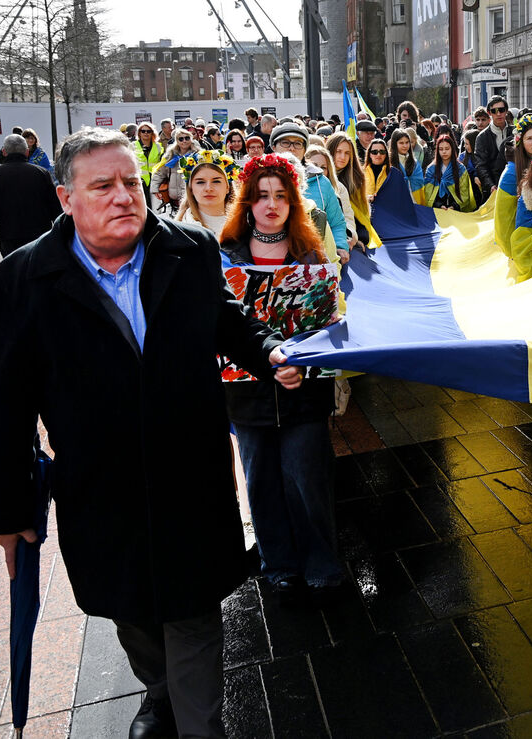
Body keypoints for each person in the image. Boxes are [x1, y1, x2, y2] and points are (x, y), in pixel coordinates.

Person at [0, 127, 301, 739]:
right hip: (101, 491)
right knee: (132, 614)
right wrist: (7, 507)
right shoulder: (24, 278)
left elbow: (226, 320)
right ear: (64, 196)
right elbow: (6, 405)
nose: (124, 196)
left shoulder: (191, 249)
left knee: (194, 614)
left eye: (131, 182)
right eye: (103, 186)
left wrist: (268, 354)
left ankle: (198, 723)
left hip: (191, 479)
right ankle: (160, 689)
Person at [216, 154, 347, 614]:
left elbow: (329, 328)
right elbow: (220, 329)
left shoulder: (309, 256)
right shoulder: (225, 256)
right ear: (247, 203)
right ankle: (278, 564)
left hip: (302, 392)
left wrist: (303, 367)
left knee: (308, 479)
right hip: (247, 393)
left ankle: (322, 563)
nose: (271, 205)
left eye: (281, 197)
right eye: (262, 196)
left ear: (294, 204)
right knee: (262, 483)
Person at [0, 134, 61, 258]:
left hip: (8, 235)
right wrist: (61, 236)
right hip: (39, 233)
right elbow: (55, 207)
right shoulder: (41, 173)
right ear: (27, 152)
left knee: (13, 273)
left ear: (4, 152)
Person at [271, 122, 350, 256]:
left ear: (304, 149)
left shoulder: (322, 182)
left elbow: (336, 222)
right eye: (285, 142)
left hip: (314, 259)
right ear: (273, 146)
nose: (291, 148)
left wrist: (340, 246)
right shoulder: (258, 181)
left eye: (298, 143)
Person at [495, 113, 532, 281]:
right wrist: (510, 250)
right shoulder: (511, 174)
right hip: (525, 243)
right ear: (521, 141)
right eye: (529, 138)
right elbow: (503, 219)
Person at [307, 144, 372, 251]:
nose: (318, 170)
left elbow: (346, 218)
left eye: (323, 167)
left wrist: (349, 238)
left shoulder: (339, 188)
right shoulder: (298, 186)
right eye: (313, 165)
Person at [325, 132, 379, 250]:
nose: (342, 157)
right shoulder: (321, 176)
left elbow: (361, 214)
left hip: (352, 232)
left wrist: (357, 237)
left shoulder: (356, 178)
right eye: (338, 152)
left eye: (347, 153)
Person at [175, 150, 238, 232]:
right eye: (200, 182)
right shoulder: (180, 229)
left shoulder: (244, 224)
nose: (208, 188)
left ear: (227, 187)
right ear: (191, 189)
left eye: (216, 181)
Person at [149, 128, 199, 215]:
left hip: (193, 198)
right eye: (181, 139)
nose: (184, 141)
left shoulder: (198, 155)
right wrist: (155, 189)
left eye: (187, 138)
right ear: (177, 141)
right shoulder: (171, 155)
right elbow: (160, 173)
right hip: (174, 200)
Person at [424, 134, 476, 212]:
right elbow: (428, 194)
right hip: (437, 210)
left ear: (452, 149)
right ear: (437, 151)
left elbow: (464, 193)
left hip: (456, 210)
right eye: (441, 149)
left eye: (447, 148)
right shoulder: (431, 169)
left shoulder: (460, 169)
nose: (444, 152)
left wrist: (454, 206)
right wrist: (439, 205)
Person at [474, 95, 510, 193]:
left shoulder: (515, 132)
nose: (498, 114)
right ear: (489, 113)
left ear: (506, 111)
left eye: (501, 110)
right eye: (494, 111)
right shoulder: (482, 137)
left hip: (514, 185)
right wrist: (491, 186)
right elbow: (481, 165)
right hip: (493, 188)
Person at [390, 128, 425, 205]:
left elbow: (420, 183)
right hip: (396, 204)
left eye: (407, 142)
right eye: (401, 143)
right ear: (394, 144)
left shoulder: (415, 163)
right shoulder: (389, 163)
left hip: (415, 203)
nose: (405, 146)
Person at [132, 122, 164, 205]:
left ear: (152, 133)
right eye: (143, 131)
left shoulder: (158, 146)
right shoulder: (132, 146)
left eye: (148, 131)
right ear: (139, 133)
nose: (146, 133)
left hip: (155, 180)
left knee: (155, 207)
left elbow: (162, 163)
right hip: (139, 180)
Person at [459, 129, 484, 206]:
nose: (464, 146)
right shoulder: (462, 157)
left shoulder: (482, 155)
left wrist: (477, 176)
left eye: (467, 144)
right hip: (466, 191)